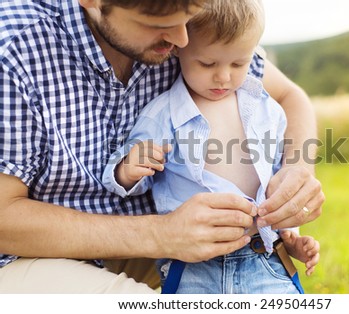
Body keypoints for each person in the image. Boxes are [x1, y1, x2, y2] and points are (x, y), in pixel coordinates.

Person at [0, 0, 324, 293]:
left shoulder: (190, 40)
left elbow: (289, 97)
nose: (183, 40)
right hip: (28, 256)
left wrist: (298, 168)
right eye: (159, 23)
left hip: (157, 252)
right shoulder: (15, 49)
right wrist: (161, 234)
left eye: (190, 17)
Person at [103, 0, 320, 294]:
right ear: (178, 47)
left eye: (239, 63)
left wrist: (290, 234)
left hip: (263, 257)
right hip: (194, 264)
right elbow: (129, 175)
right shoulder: (163, 113)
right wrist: (128, 170)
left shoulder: (263, 106)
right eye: (207, 64)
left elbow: (278, 178)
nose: (223, 76)